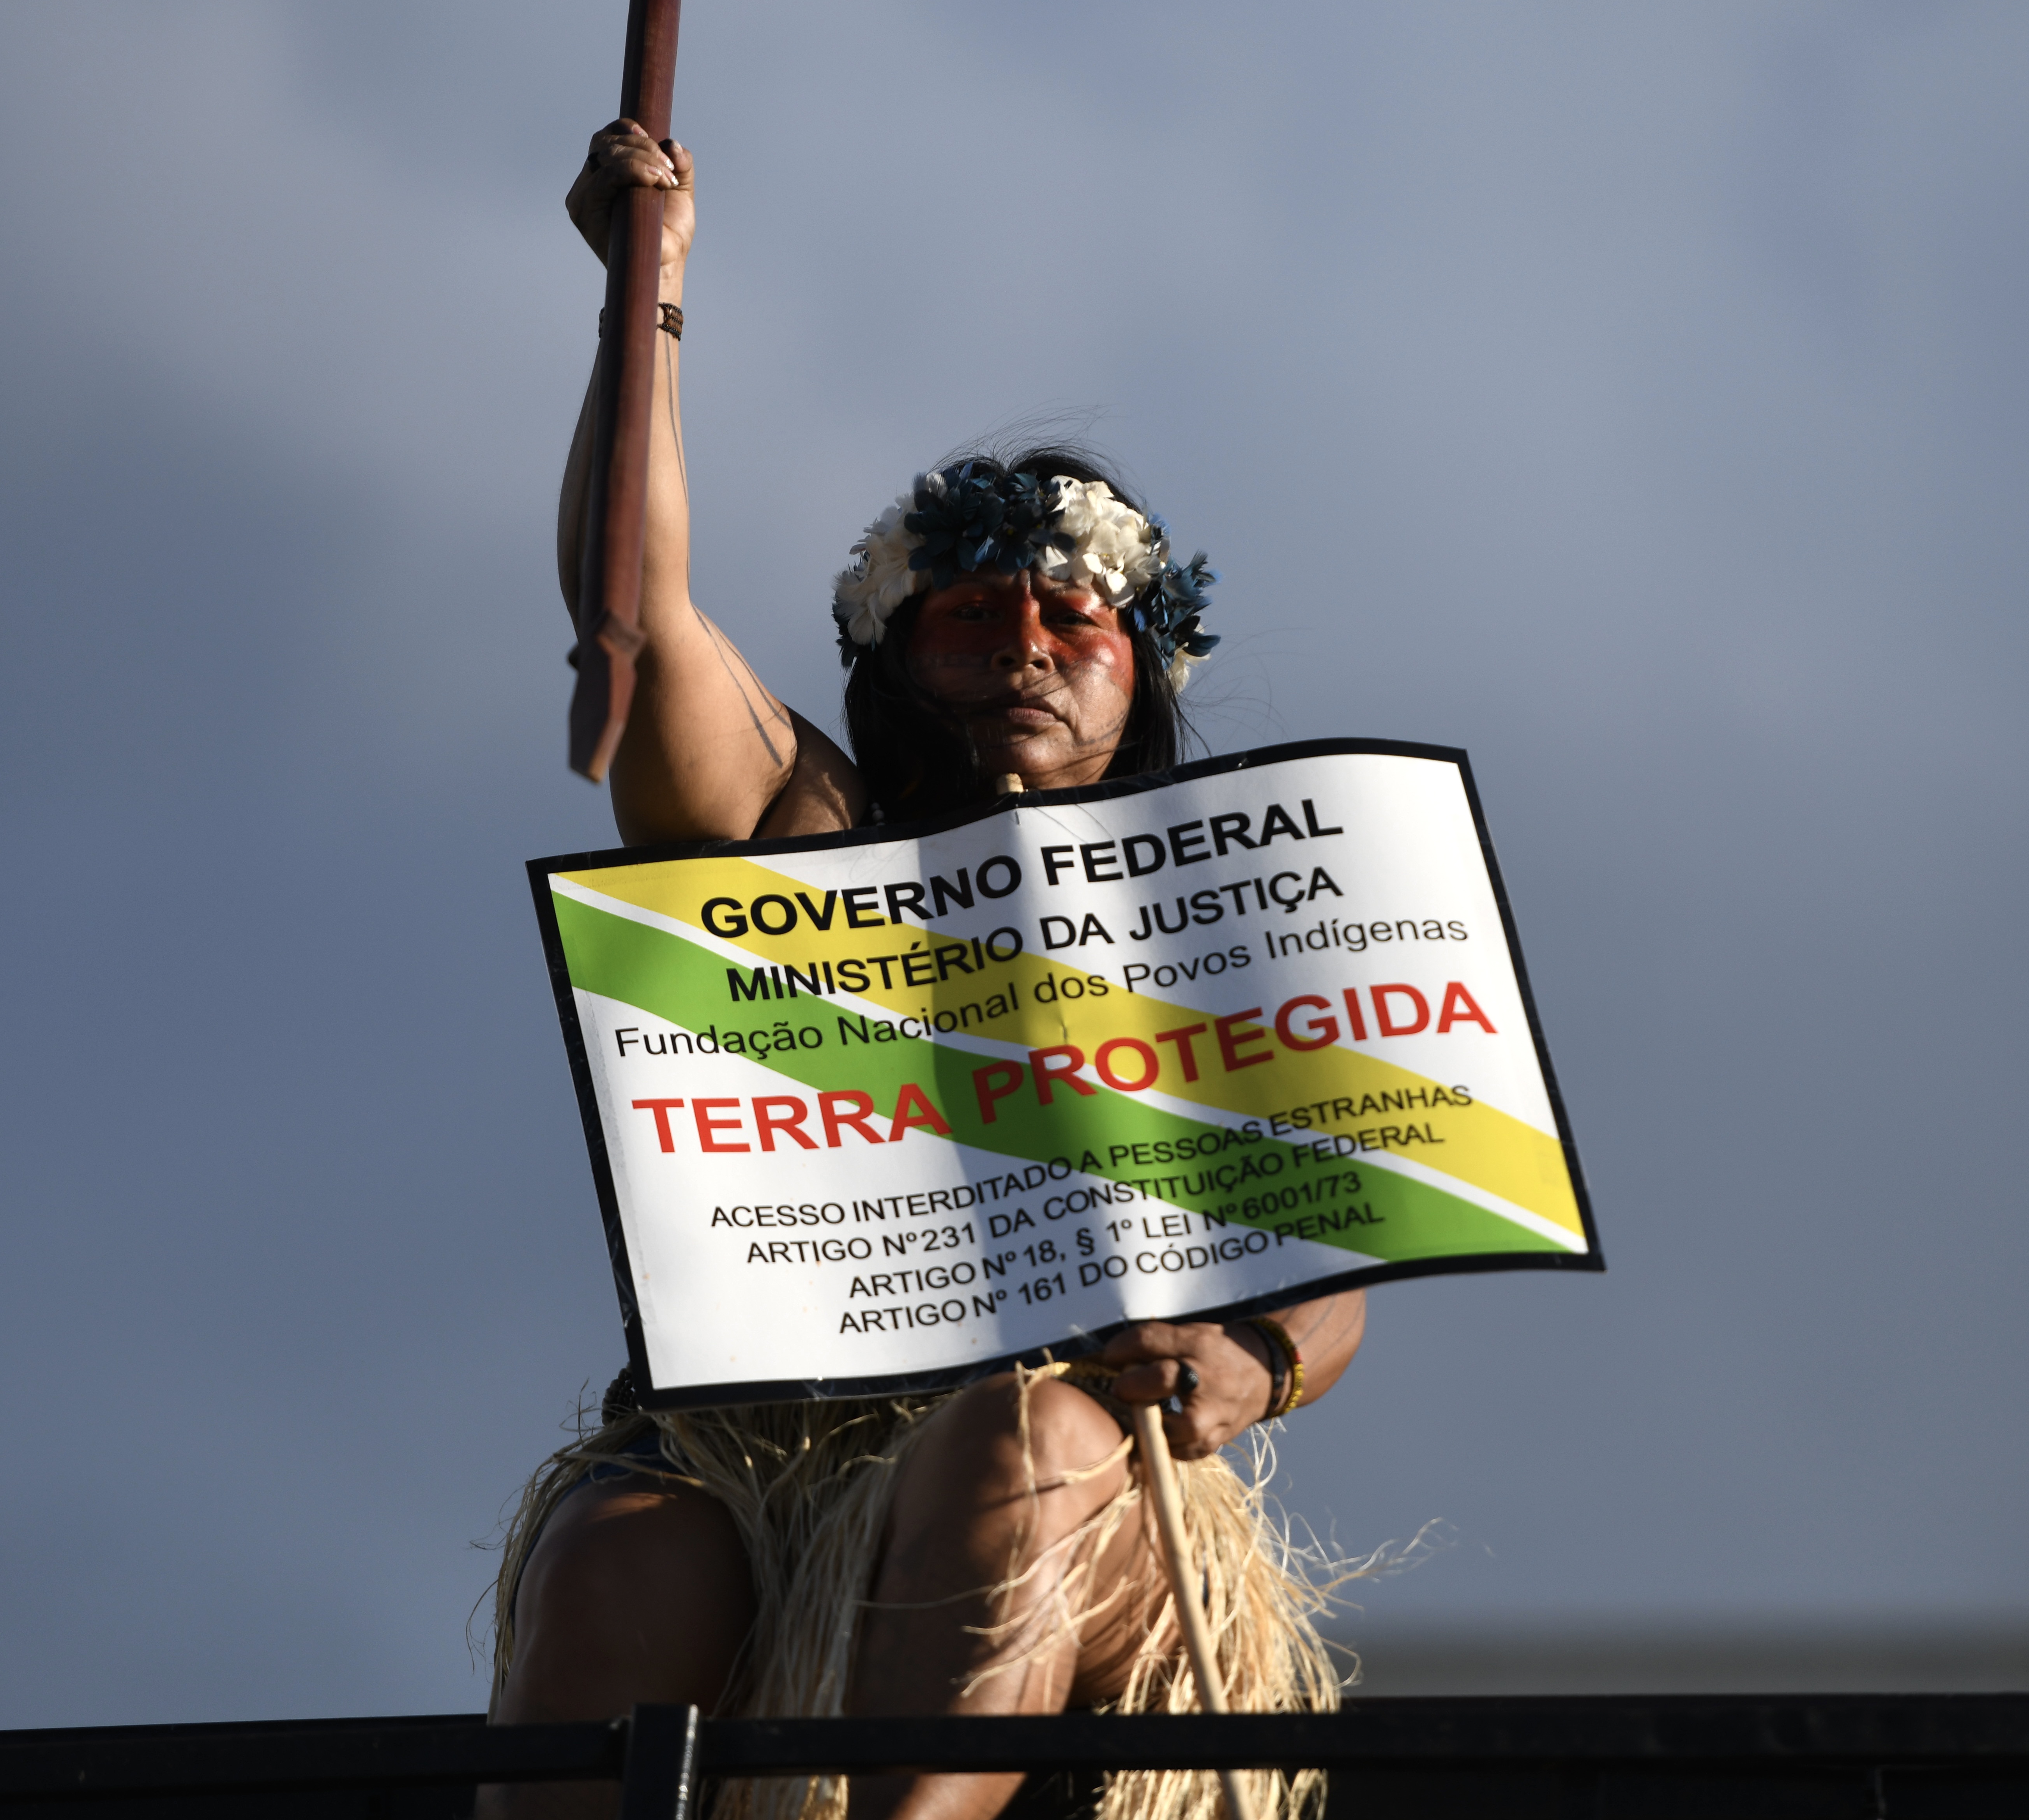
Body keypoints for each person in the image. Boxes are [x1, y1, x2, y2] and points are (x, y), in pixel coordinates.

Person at [481, 123, 1369, 1820]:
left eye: (1072, 622)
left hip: (1078, 1459)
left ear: (1140, 673)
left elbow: (1336, 1232)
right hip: (760, 1448)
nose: (1026, 645)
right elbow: (646, 615)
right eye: (972, 619)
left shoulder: (1223, 918)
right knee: (627, 1544)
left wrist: (1245, 1362)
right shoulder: (820, 829)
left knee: (1013, 1449)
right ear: (902, 660)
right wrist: (641, 297)